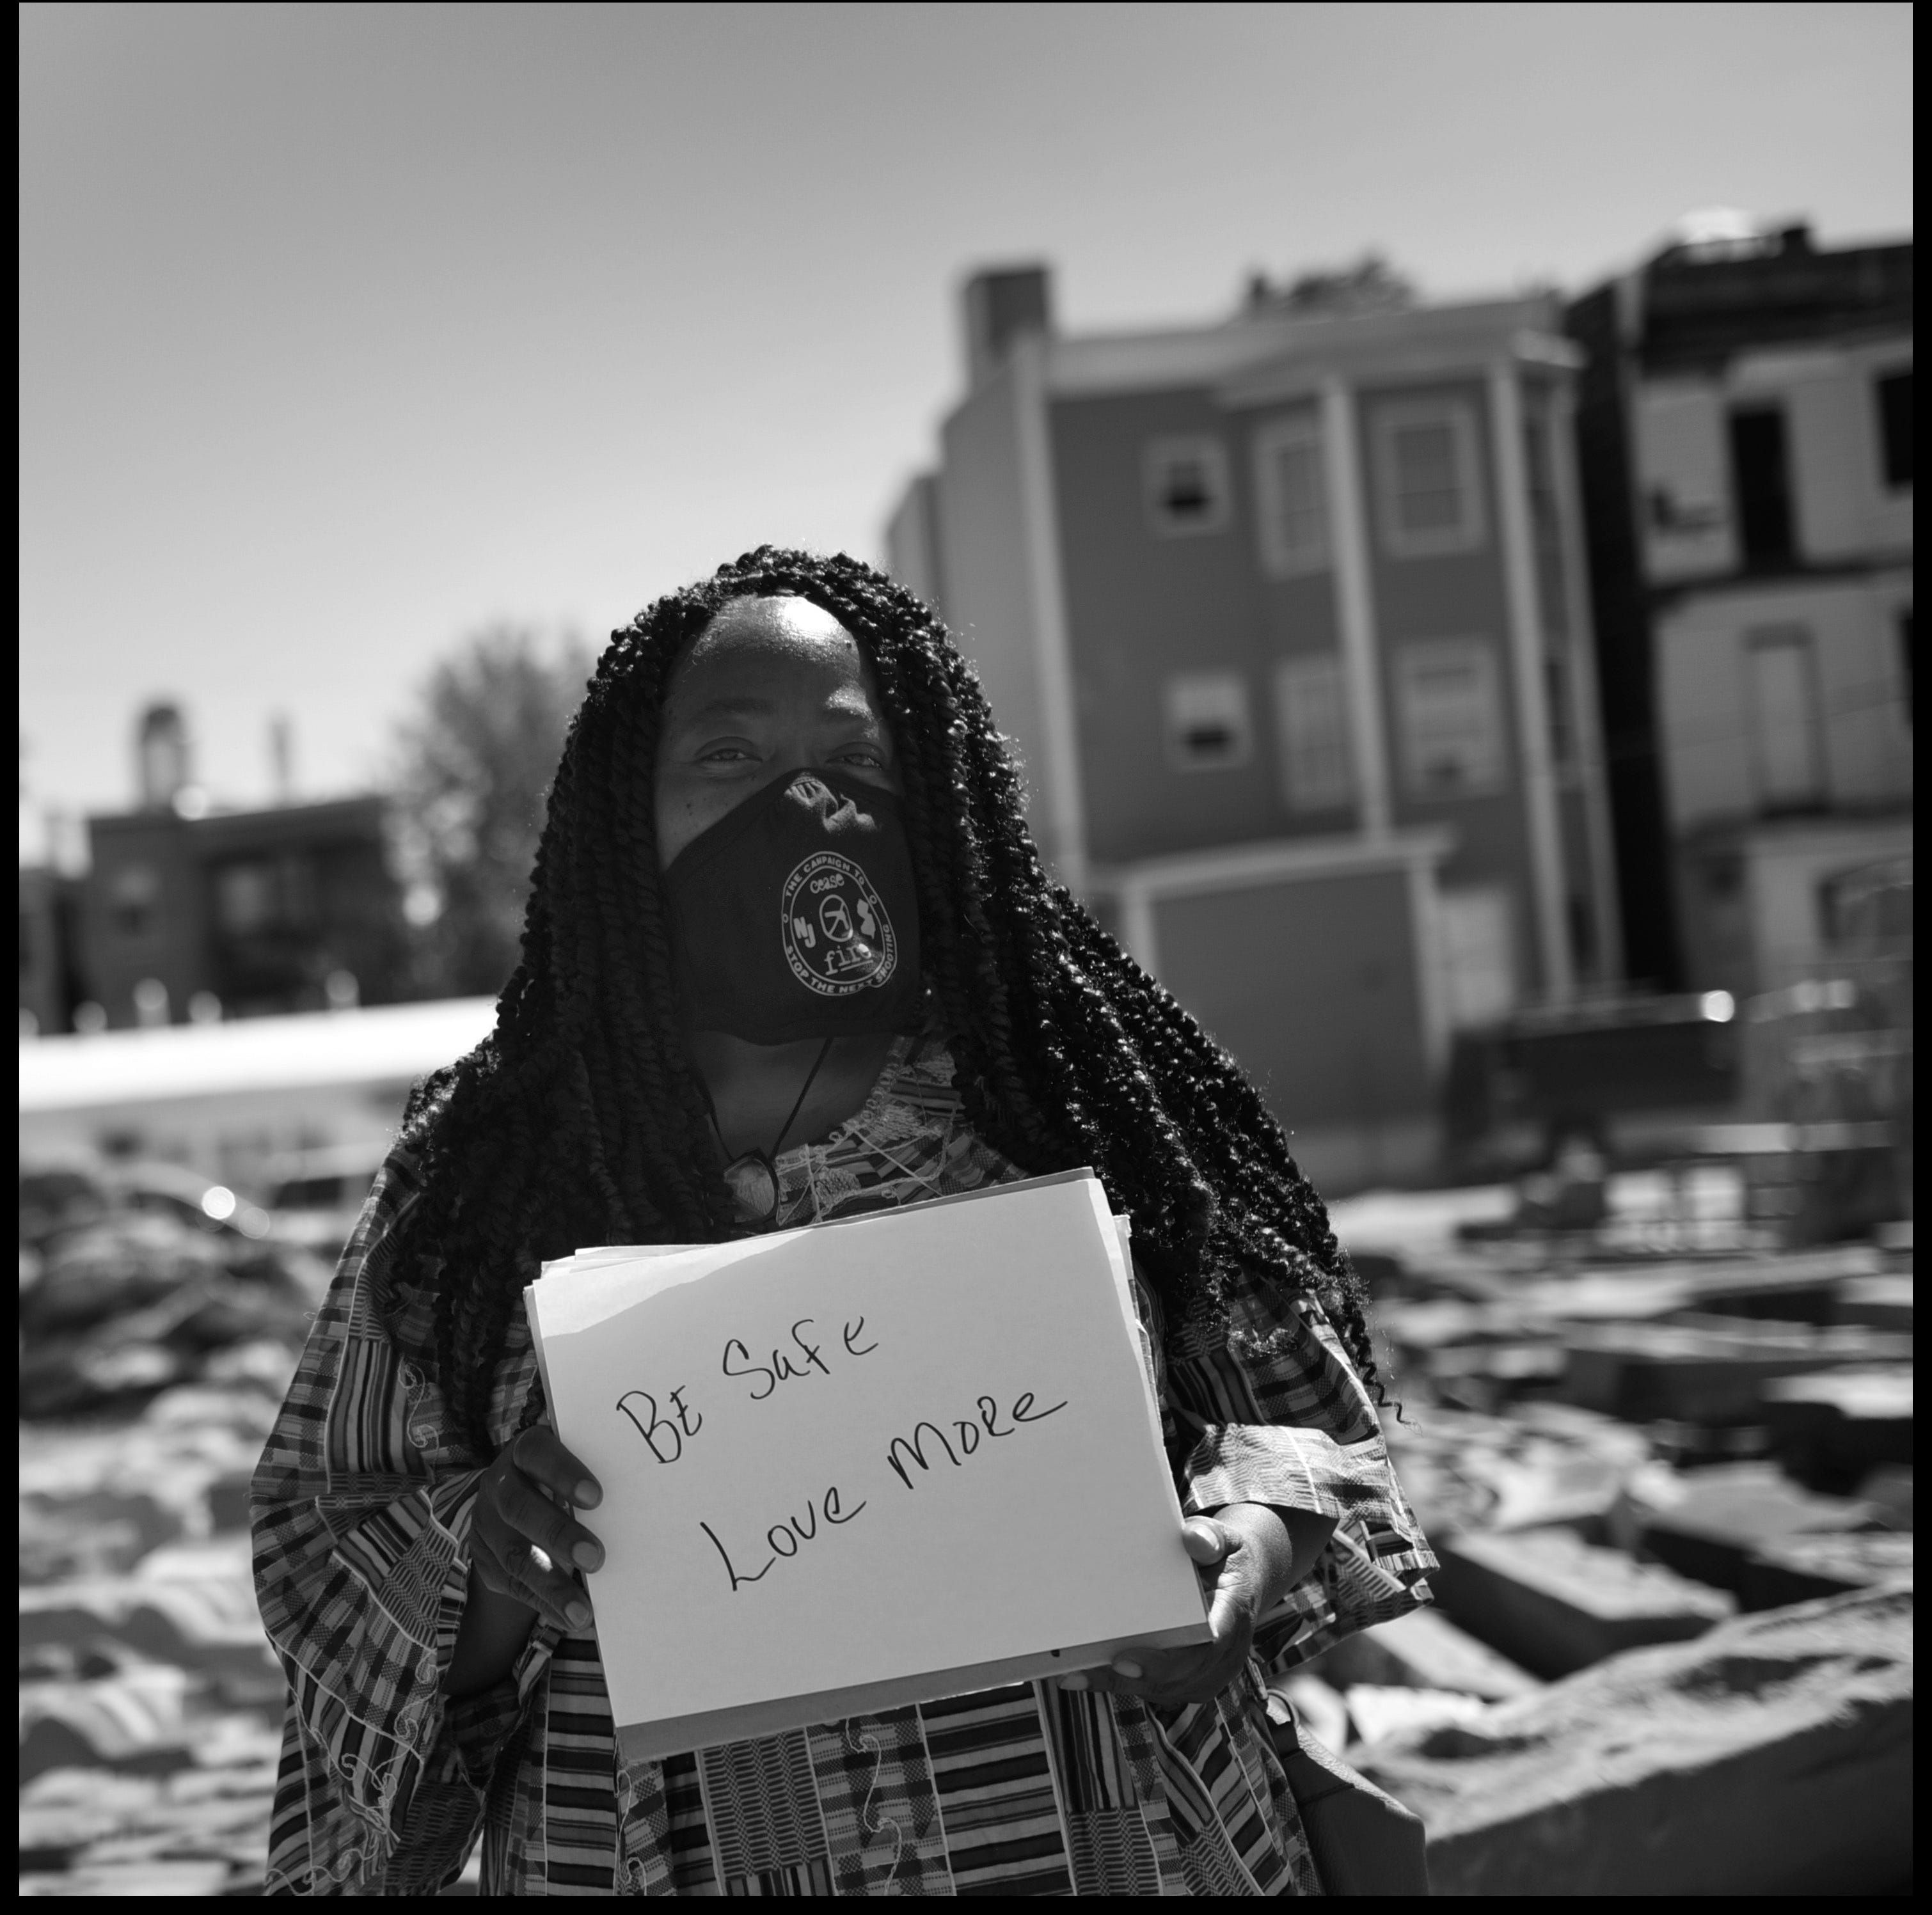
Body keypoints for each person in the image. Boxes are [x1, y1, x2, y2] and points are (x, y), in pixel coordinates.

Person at [251, 546, 1436, 1895]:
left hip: (1109, 1839)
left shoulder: (1061, 1094)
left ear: (927, 787)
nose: (801, 800)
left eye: (849, 752)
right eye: (727, 755)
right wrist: (490, 1561)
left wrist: (1250, 1542)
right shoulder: (484, 1174)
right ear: (620, 824)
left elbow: (1317, 1435)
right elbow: (316, 1535)